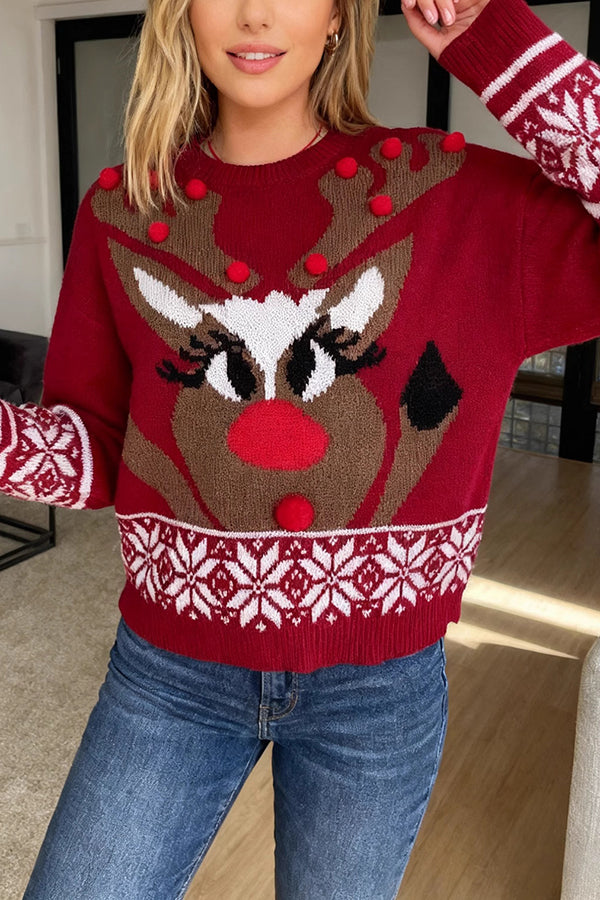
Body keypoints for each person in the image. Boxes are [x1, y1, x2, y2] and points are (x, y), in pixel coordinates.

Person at [3, 0, 599, 895]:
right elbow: (99, 449)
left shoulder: (454, 194)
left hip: (378, 692)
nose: (254, 14)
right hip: (169, 678)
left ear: (337, 17)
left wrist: (497, 41)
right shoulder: (122, 210)